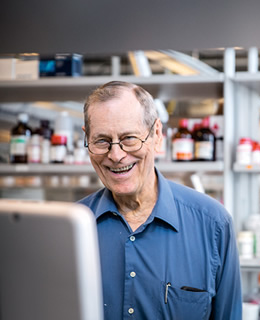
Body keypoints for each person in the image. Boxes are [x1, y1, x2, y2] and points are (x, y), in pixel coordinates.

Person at [78, 81, 242, 320]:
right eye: (102, 141)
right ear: (87, 139)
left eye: (129, 138)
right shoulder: (71, 228)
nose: (116, 155)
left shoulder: (213, 224)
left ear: (156, 135)